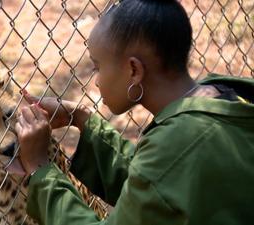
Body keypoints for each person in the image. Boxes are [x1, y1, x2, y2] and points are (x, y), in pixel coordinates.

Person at [13, 0, 254, 224]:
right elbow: (156, 182)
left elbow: (160, 172)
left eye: (98, 66)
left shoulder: (176, 143)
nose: (96, 81)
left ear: (133, 70)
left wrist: (39, 168)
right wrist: (80, 117)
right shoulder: (222, 95)